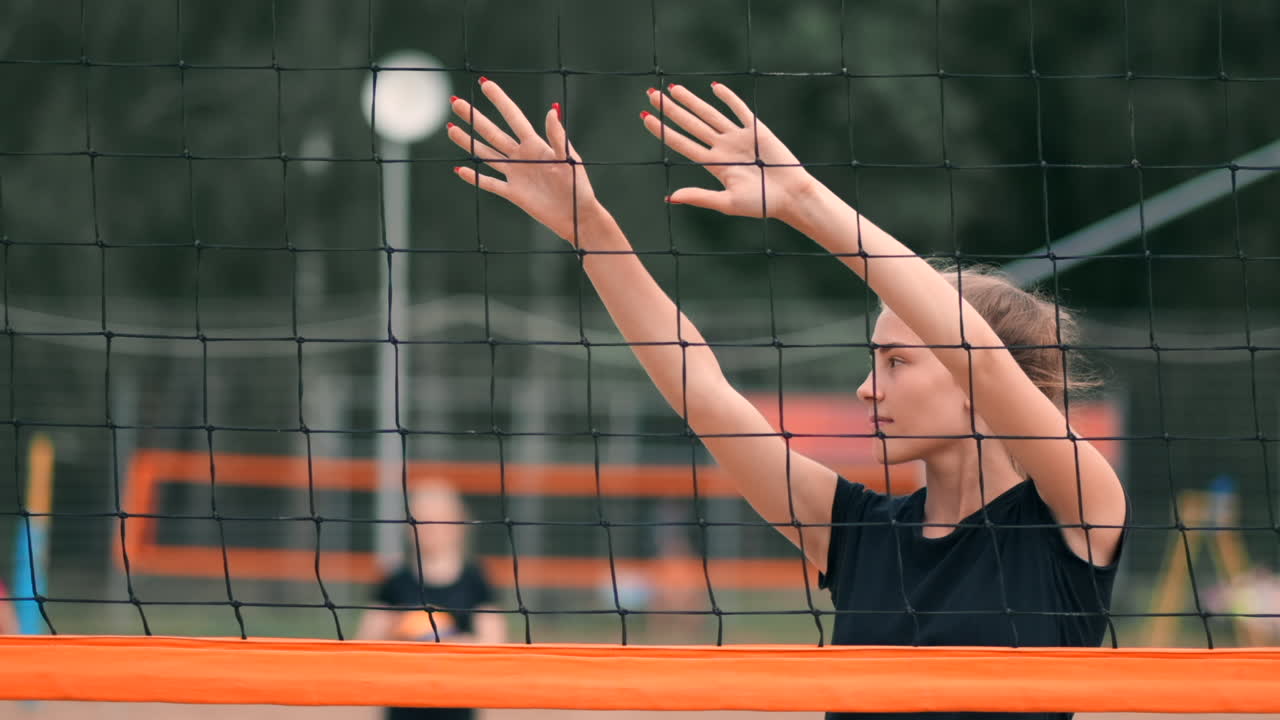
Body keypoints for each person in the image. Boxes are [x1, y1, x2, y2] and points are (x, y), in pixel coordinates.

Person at [446, 78, 1128, 720]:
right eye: (872, 360)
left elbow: (978, 356)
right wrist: (589, 227)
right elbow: (703, 393)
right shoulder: (857, 533)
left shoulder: (1075, 516)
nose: (868, 386)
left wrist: (801, 198)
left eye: (897, 361)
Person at [358, 481, 506, 720]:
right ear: (410, 527)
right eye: (423, 520)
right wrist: (403, 637)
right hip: (403, 706)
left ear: (458, 524)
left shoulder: (477, 581)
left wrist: (445, 641)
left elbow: (495, 648)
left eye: (440, 519)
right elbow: (364, 646)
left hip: (457, 706)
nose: (432, 528)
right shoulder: (394, 581)